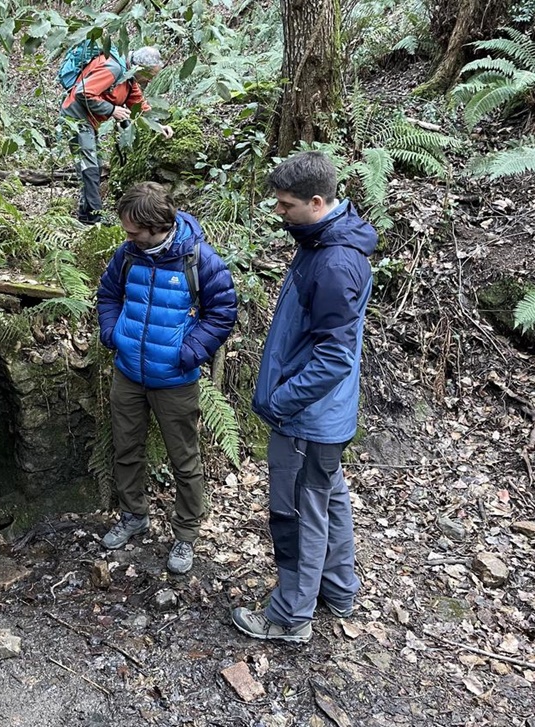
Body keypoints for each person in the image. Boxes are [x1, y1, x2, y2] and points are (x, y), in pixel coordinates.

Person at [231, 151, 377, 643]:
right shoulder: (324, 240)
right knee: (327, 499)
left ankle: (289, 617)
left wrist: (282, 402)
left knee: (296, 514)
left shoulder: (334, 261)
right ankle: (338, 589)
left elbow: (334, 358)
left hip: (308, 418)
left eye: (286, 205)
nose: (280, 213)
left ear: (318, 202)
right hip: (321, 416)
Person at [97, 182, 238, 574]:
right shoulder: (127, 255)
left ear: (157, 225)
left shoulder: (200, 260)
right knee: (126, 450)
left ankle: (186, 534)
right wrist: (113, 334)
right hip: (128, 373)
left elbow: (222, 312)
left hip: (175, 380)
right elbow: (108, 295)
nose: (127, 237)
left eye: (133, 231)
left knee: (184, 459)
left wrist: (189, 352)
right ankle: (133, 516)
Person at [61, 46, 175, 225]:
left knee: (94, 166)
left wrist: (158, 126)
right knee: (89, 167)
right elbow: (83, 92)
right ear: (140, 68)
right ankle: (93, 219)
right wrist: (112, 110)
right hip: (76, 117)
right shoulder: (113, 69)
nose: (151, 80)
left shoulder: (129, 79)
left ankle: (85, 215)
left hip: (89, 121)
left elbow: (139, 106)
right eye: (151, 75)